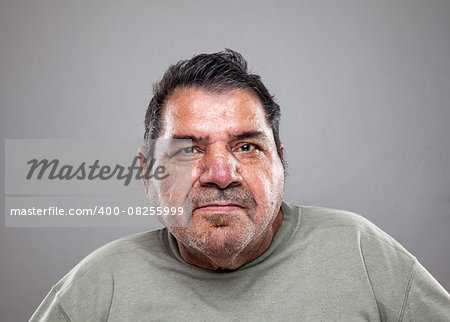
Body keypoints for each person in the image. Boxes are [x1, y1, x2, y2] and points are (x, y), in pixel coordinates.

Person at [31, 49, 450, 321]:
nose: (220, 174)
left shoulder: (362, 253)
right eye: (189, 149)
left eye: (247, 146)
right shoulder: (97, 288)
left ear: (281, 162)